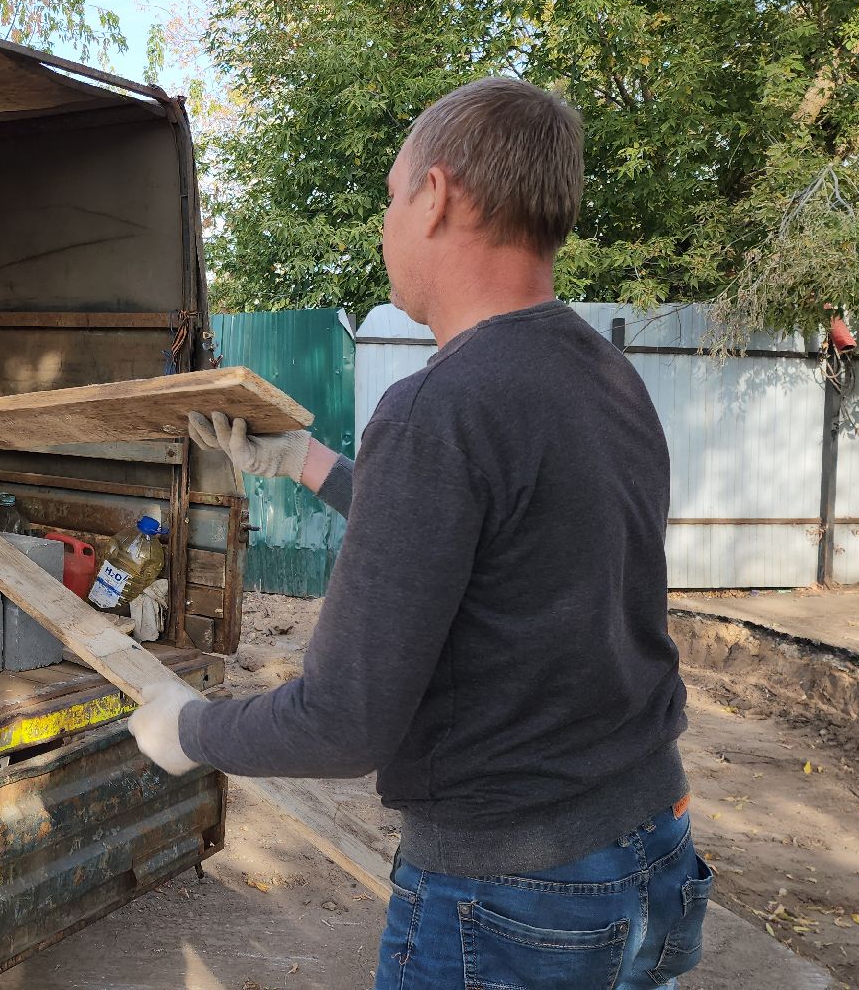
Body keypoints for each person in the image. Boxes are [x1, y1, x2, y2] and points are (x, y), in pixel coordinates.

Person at [129, 78, 707, 989]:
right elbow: (484, 544)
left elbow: (344, 722)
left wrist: (191, 729)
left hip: (513, 895)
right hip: (653, 850)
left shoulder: (439, 407)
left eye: (393, 198)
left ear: (436, 197)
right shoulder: (604, 375)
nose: (387, 224)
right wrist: (307, 462)